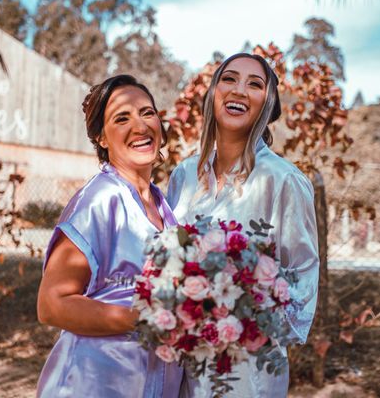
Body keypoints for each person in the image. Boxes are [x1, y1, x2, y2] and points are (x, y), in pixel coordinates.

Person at [167, 53, 319, 397]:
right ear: (213, 93)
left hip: (247, 369)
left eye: (255, 84)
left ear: (267, 104)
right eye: (229, 79)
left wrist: (244, 312)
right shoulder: (183, 175)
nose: (239, 90)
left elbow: (303, 273)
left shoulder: (284, 181)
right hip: (182, 362)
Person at [37, 75, 182, 397]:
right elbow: (51, 304)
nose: (141, 126)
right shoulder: (100, 200)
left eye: (147, 113)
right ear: (102, 138)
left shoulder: (163, 204)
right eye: (122, 118)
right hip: (96, 383)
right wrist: (148, 319)